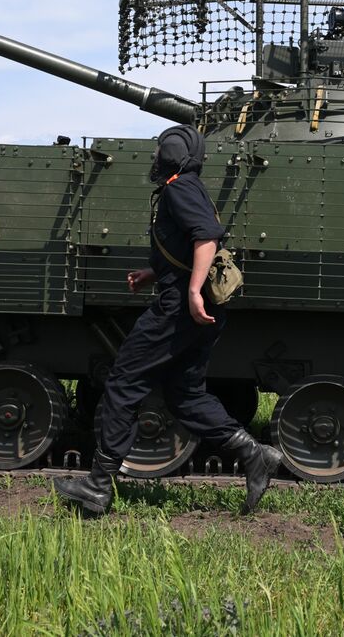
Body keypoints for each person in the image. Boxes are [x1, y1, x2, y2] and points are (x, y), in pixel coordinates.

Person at [55, 125, 282, 515]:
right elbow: (186, 243)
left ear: (172, 154)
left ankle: (97, 485)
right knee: (184, 394)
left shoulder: (179, 188)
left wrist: (192, 291)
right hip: (189, 306)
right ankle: (254, 453)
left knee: (124, 381)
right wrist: (154, 273)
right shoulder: (187, 187)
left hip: (178, 309)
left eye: (162, 150)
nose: (157, 156)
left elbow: (206, 238)